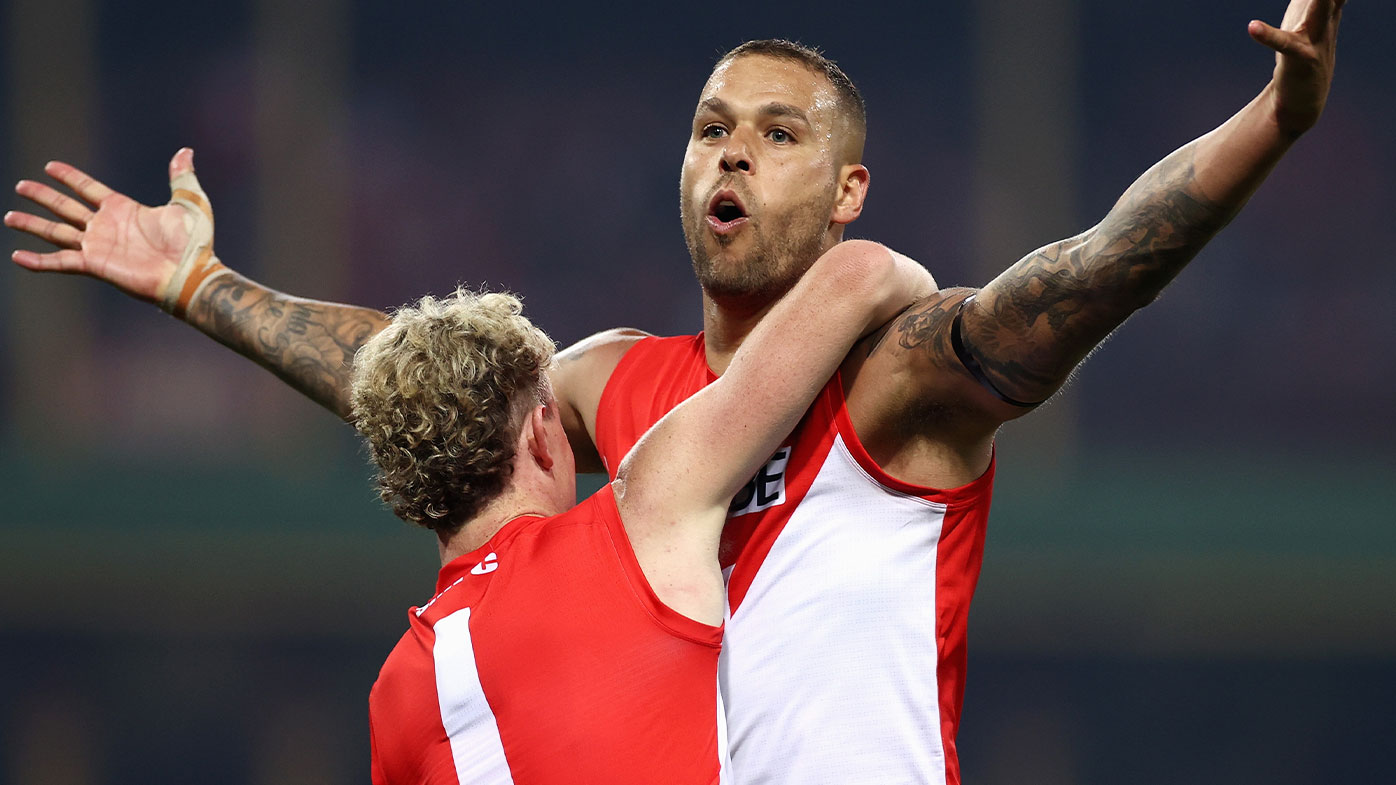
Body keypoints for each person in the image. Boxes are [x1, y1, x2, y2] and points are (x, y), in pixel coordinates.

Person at [6, 2, 1345, 782]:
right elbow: (420, 379)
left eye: (781, 134)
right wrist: (207, 289)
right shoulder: (611, 382)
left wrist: (1272, 125)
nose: (738, 154)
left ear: (846, 193)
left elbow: (1091, 273)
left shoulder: (897, 376)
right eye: (713, 126)